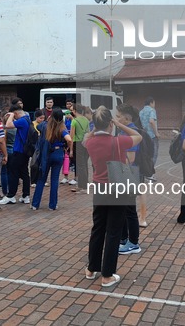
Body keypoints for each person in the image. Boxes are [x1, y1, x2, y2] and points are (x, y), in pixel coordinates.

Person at [83, 106, 142, 288]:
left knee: (98, 228)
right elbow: (138, 136)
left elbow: (86, 138)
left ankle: (92, 268)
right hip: (118, 189)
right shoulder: (118, 141)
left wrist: (96, 127)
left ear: (95, 124)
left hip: (99, 189)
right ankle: (107, 275)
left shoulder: (90, 143)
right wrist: (118, 124)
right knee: (113, 232)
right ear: (110, 123)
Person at [31, 108, 72, 210]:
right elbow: (69, 139)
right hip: (58, 154)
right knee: (54, 180)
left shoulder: (45, 126)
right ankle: (52, 205)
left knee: (41, 178)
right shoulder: (62, 128)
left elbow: (39, 126)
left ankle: (35, 204)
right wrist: (68, 148)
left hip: (47, 154)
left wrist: (47, 120)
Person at [115, 103, 142, 255]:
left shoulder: (131, 132)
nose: (116, 119)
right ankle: (124, 238)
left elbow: (130, 158)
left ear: (126, 118)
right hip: (123, 174)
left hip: (129, 175)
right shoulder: (123, 131)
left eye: (118, 117)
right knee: (124, 209)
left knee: (130, 210)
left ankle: (134, 242)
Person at [0, 105, 32, 204]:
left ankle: (11, 196)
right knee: (25, 173)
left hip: (19, 151)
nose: (14, 118)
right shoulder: (28, 118)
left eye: (14, 116)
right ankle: (26, 195)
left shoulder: (22, 120)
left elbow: (8, 125)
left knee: (13, 173)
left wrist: (11, 115)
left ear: (16, 113)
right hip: (25, 151)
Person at [70, 103, 90, 192]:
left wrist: (70, 149)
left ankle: (83, 186)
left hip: (77, 143)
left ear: (74, 111)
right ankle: (84, 185)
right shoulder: (86, 119)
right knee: (84, 164)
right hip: (86, 143)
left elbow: (71, 136)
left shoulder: (74, 121)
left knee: (80, 165)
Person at [139, 96, 160, 168]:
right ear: (151, 103)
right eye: (154, 103)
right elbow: (152, 121)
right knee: (154, 153)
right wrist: (156, 133)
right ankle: (150, 171)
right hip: (152, 135)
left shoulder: (141, 111)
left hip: (144, 135)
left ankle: (145, 170)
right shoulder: (152, 110)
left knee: (146, 154)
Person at [0, 109, 16, 196]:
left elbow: (2, 141)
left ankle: (4, 192)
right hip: (14, 150)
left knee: (3, 172)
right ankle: (11, 191)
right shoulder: (15, 128)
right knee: (11, 172)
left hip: (5, 150)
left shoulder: (3, 128)